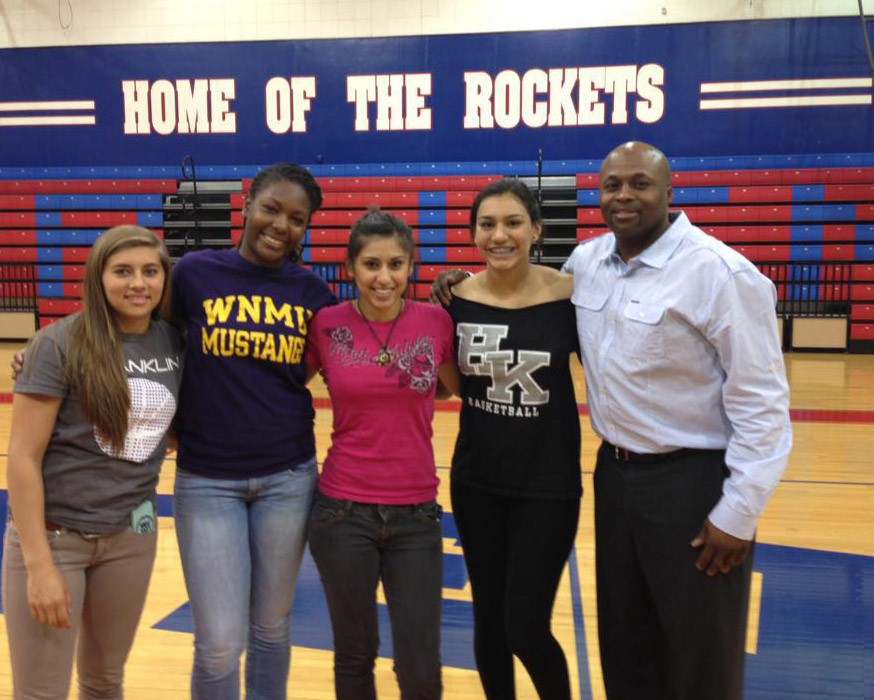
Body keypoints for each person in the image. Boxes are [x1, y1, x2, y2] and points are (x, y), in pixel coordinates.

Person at [564, 141, 792, 699]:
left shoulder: (721, 274)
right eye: (612, 185)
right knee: (626, 642)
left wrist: (738, 513)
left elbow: (762, 403)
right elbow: (525, 298)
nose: (623, 195)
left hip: (693, 485)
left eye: (639, 184)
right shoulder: (585, 264)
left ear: (669, 192)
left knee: (701, 656)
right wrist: (462, 283)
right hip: (615, 478)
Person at [169, 163, 337, 699]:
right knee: (219, 643)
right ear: (246, 205)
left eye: (297, 218)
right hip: (207, 480)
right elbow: (136, 332)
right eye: (271, 208)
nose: (281, 225)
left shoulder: (314, 292)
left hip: (288, 478)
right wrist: (49, 350)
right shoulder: (194, 273)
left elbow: (324, 364)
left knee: (270, 629)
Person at [3, 225, 182, 699]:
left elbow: (175, 427)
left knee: (104, 681)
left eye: (150, 271)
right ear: (98, 277)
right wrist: (39, 565)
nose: (138, 283)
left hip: (132, 535)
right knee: (41, 692)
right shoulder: (59, 343)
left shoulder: (174, 342)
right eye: (122, 271)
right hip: (57, 539)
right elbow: (22, 458)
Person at [305, 208, 460, 699]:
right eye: (371, 264)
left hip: (416, 514)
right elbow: (281, 386)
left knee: (420, 667)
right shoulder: (326, 324)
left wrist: (469, 285)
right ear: (351, 267)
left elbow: (454, 388)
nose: (384, 277)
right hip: (341, 513)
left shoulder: (436, 322)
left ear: (411, 266)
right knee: (355, 657)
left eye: (396, 264)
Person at [436, 178, 582, 699]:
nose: (500, 235)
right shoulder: (454, 300)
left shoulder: (571, 296)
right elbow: (448, 387)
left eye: (513, 222)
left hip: (547, 487)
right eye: (487, 224)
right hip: (477, 482)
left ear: (536, 230)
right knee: (489, 622)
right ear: (474, 233)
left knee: (525, 625)